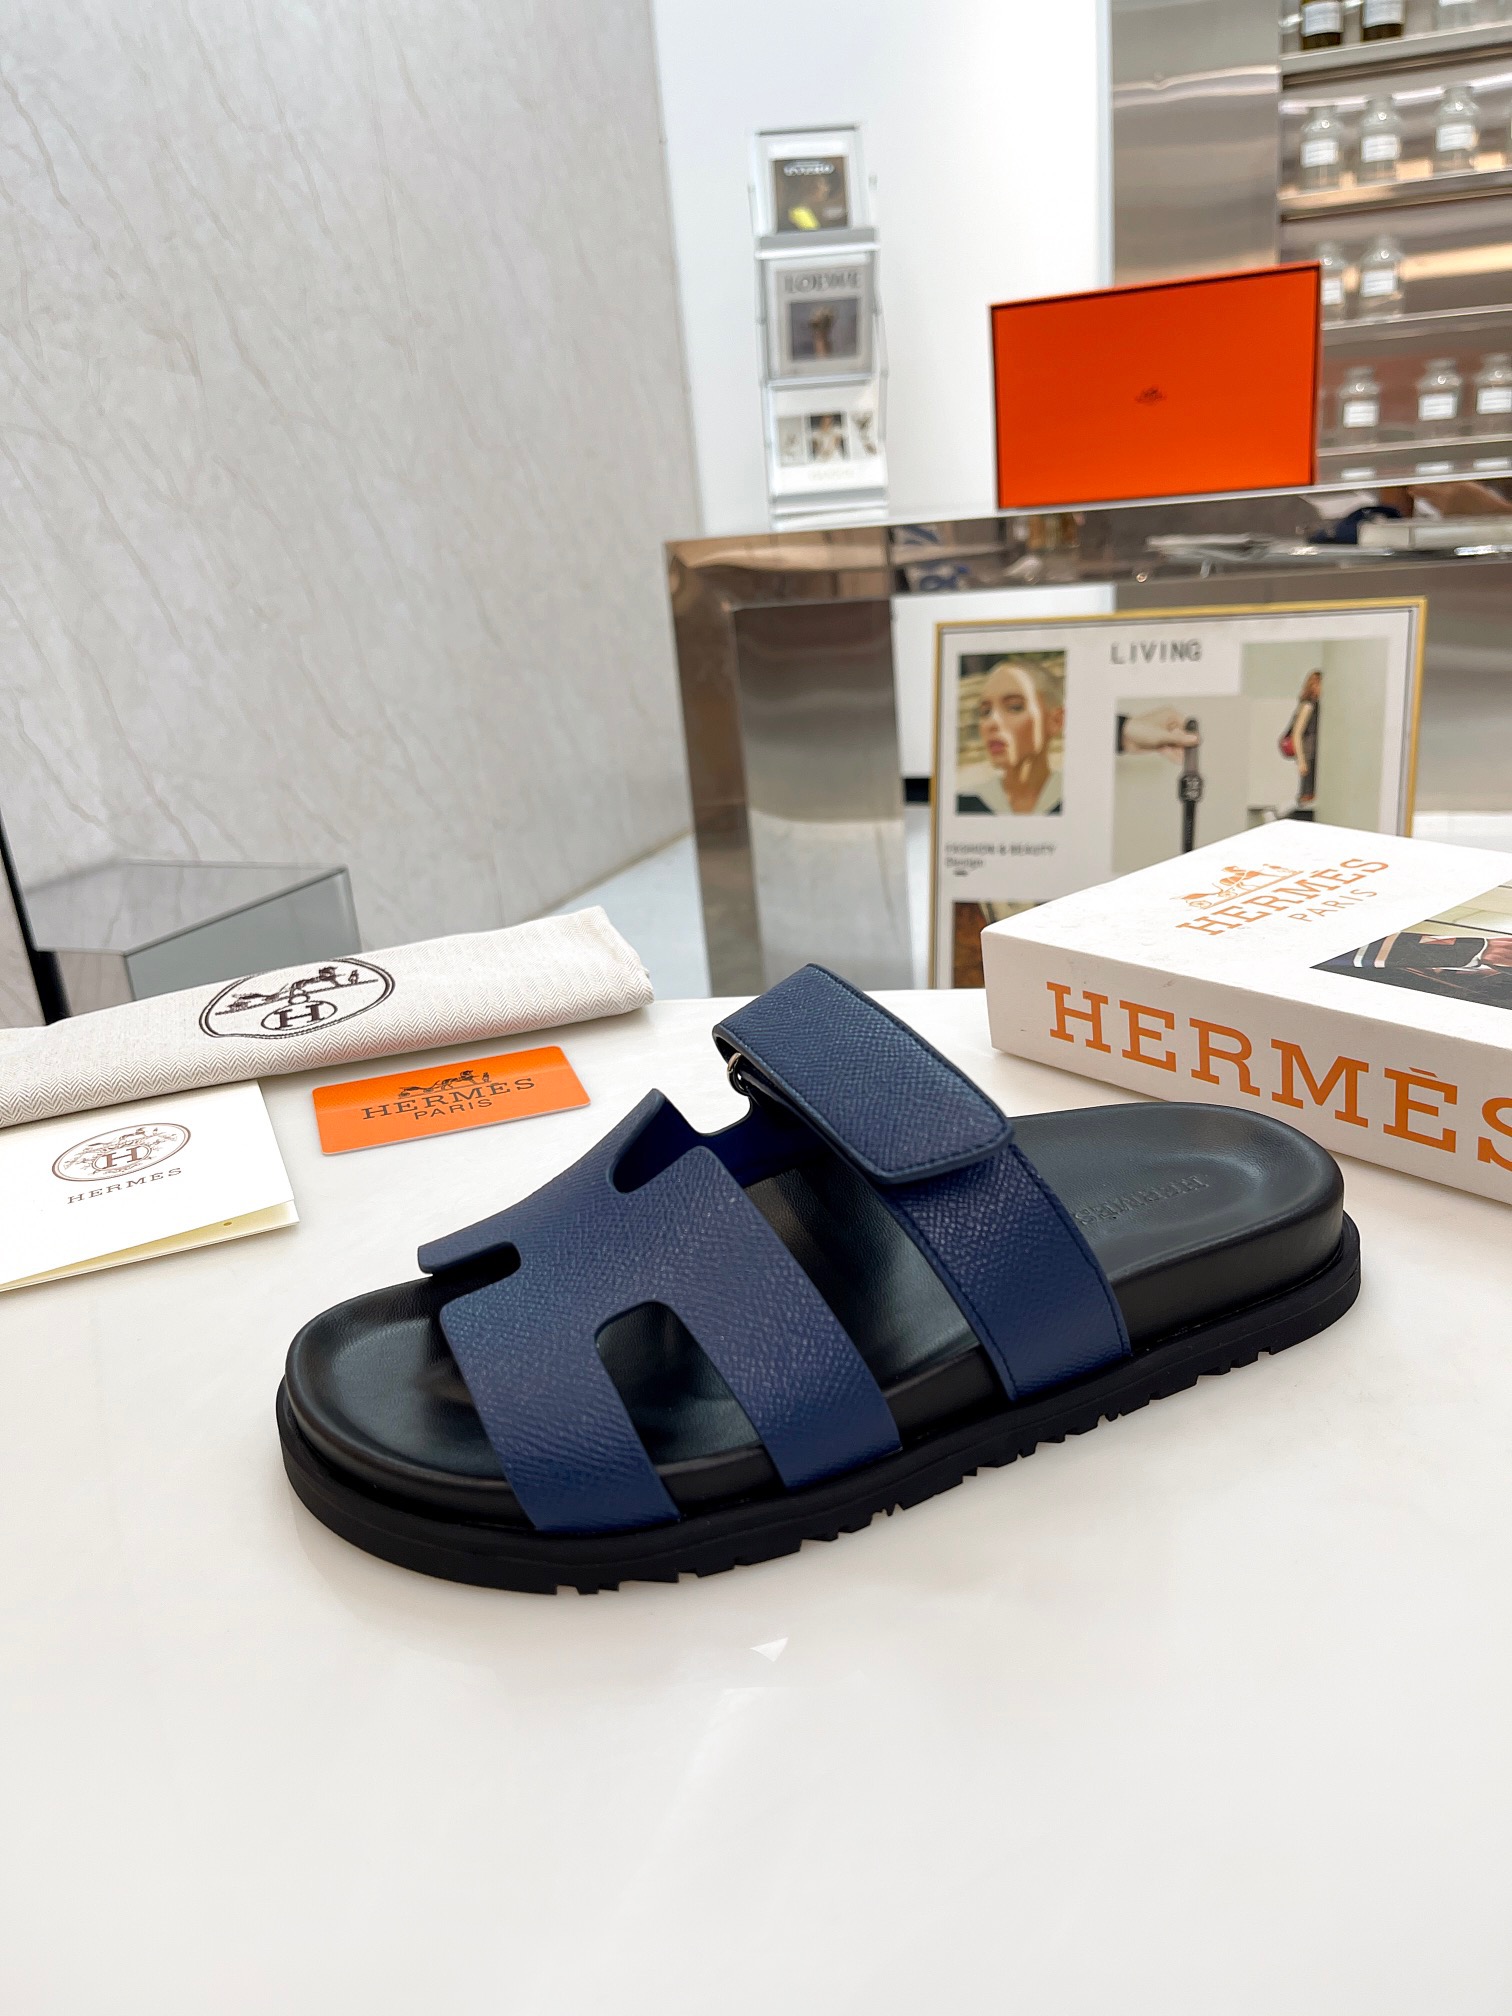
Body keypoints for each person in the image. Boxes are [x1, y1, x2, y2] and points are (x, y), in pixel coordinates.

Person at [956, 658, 1065, 816]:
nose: (992, 722)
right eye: (985, 712)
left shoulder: (1079, 799)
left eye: (1014, 707)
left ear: (1056, 720)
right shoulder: (964, 804)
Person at [1280, 670, 1322, 820]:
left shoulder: (1318, 706)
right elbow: (1297, 733)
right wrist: (1302, 760)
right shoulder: (1308, 706)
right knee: (1307, 796)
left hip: (1314, 754)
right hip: (1309, 754)